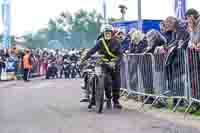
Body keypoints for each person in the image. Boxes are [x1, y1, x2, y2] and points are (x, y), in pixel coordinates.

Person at [81, 24, 123, 109]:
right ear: (103, 34)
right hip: (103, 64)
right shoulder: (100, 42)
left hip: (114, 65)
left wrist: (114, 62)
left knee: (117, 83)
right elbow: (92, 51)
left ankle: (116, 101)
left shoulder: (116, 42)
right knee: (106, 81)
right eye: (106, 33)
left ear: (112, 34)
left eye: (109, 33)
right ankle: (106, 97)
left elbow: (120, 55)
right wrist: (83, 59)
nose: (107, 34)